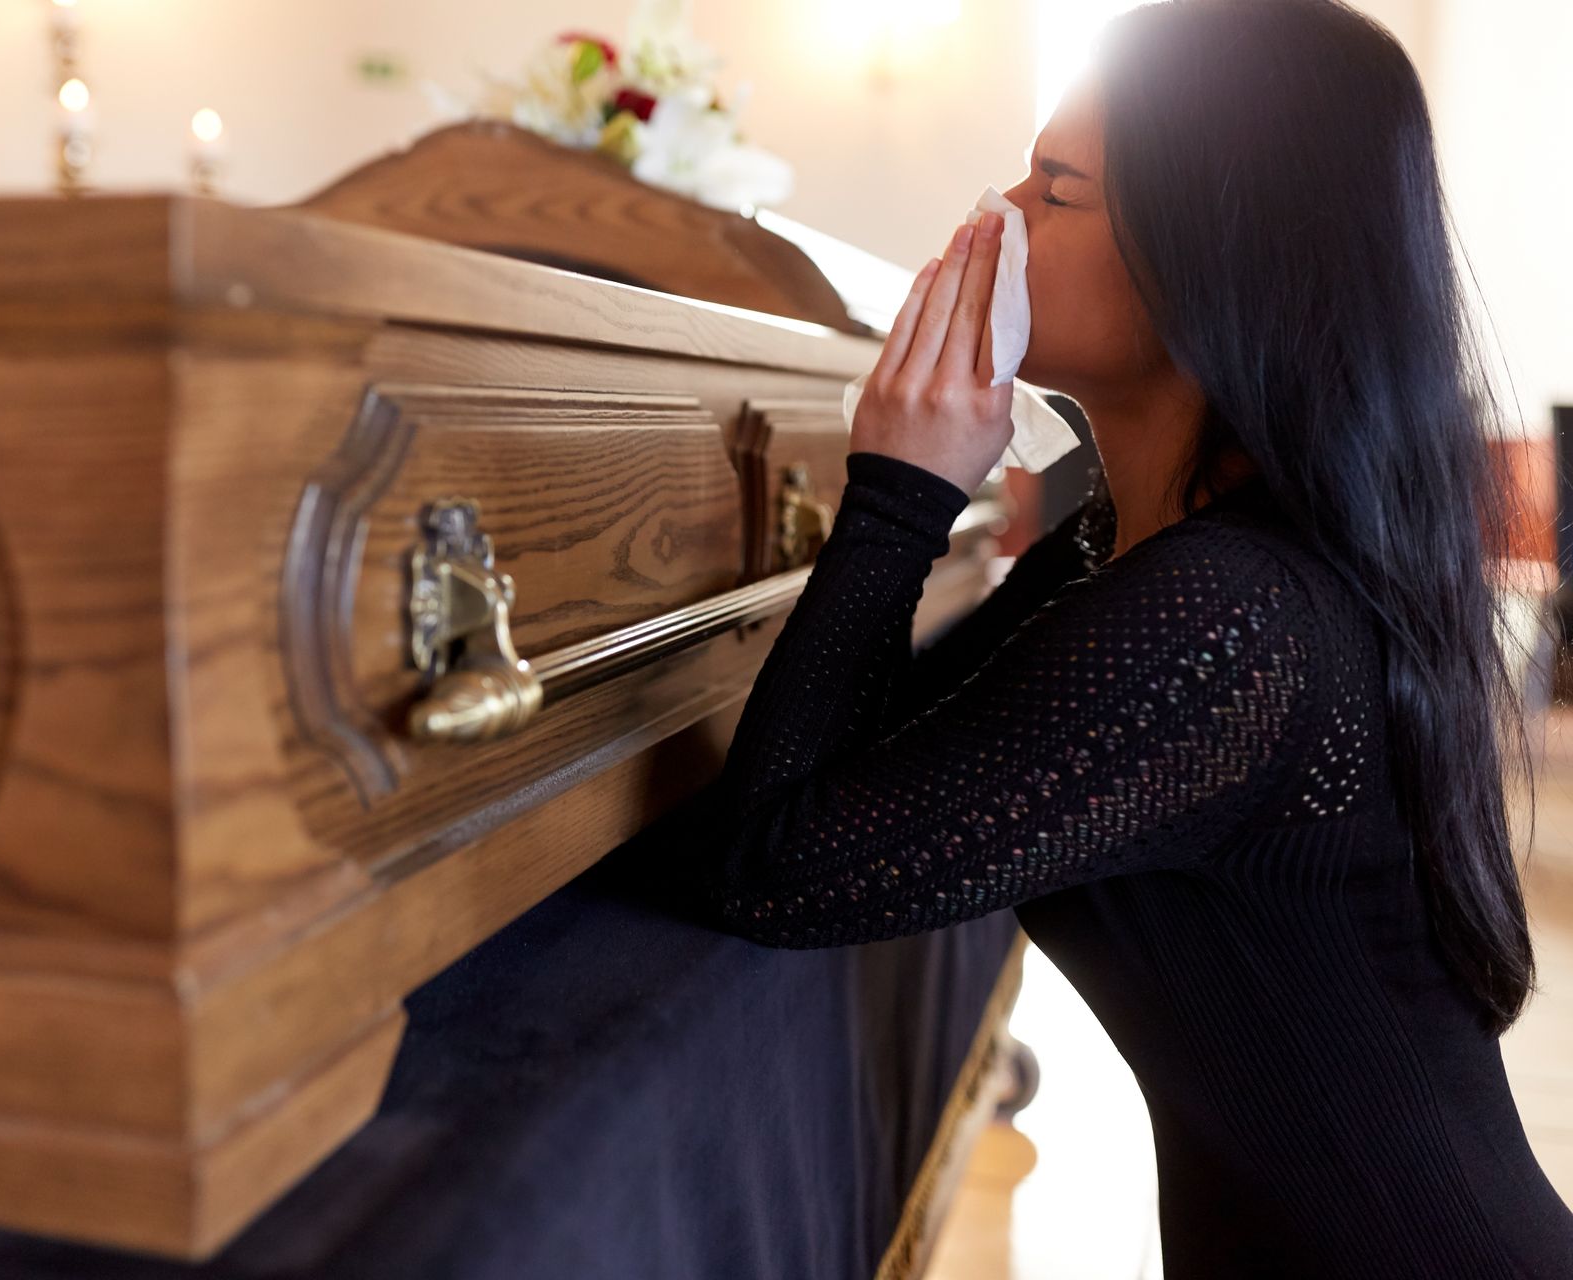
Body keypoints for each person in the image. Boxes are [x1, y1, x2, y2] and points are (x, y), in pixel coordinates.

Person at [644, 0, 1573, 1273]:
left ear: (1211, 256)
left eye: (1056, 189)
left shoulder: (1231, 613)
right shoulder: (1144, 551)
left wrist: (901, 492)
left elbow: (770, 870)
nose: (999, 214)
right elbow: (865, 772)